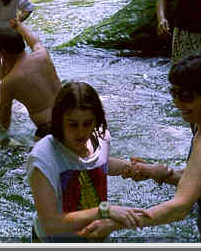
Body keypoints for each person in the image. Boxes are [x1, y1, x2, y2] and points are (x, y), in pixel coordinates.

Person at [77, 54, 201, 243]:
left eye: (186, 96)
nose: (177, 103)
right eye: (174, 93)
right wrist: (158, 172)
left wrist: (116, 223)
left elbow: (180, 208)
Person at [27, 81, 167, 242]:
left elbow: (100, 163)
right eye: (73, 124)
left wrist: (131, 168)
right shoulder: (43, 157)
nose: (81, 132)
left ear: (96, 119)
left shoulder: (101, 138)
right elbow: (49, 223)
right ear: (59, 120)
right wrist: (104, 212)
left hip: (95, 236)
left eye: (87, 123)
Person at [0, 19, 62, 140]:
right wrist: (19, 25)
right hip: (71, 113)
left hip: (48, 129)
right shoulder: (43, 55)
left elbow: (4, 123)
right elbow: (34, 42)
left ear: (2, 52)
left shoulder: (9, 82)